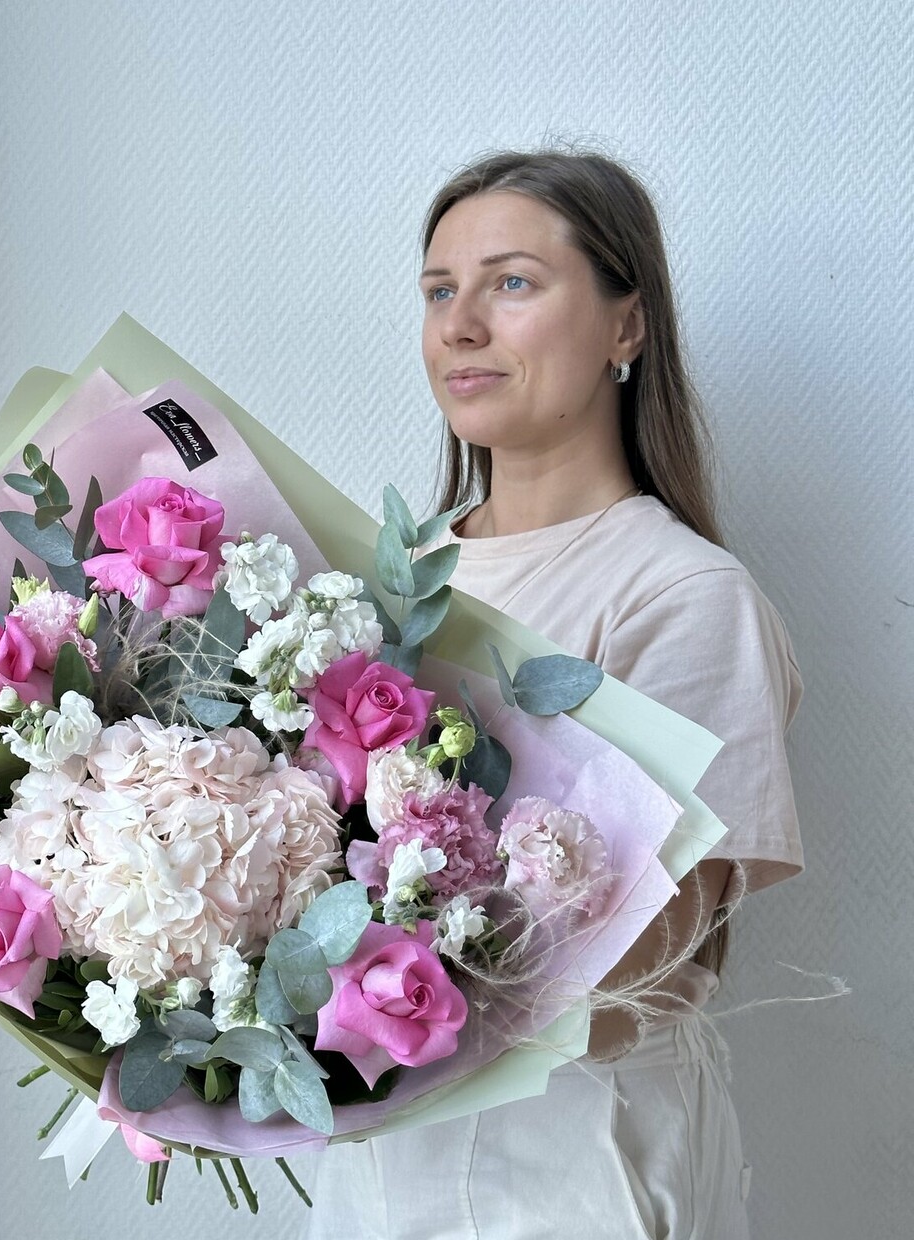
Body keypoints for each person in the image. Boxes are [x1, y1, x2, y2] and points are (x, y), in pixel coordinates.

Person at [306, 150, 803, 1239]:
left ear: (628, 325)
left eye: (513, 283)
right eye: (440, 290)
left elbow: (649, 968)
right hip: (375, 1168)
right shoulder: (381, 583)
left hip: (574, 1168)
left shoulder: (680, 595)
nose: (460, 325)